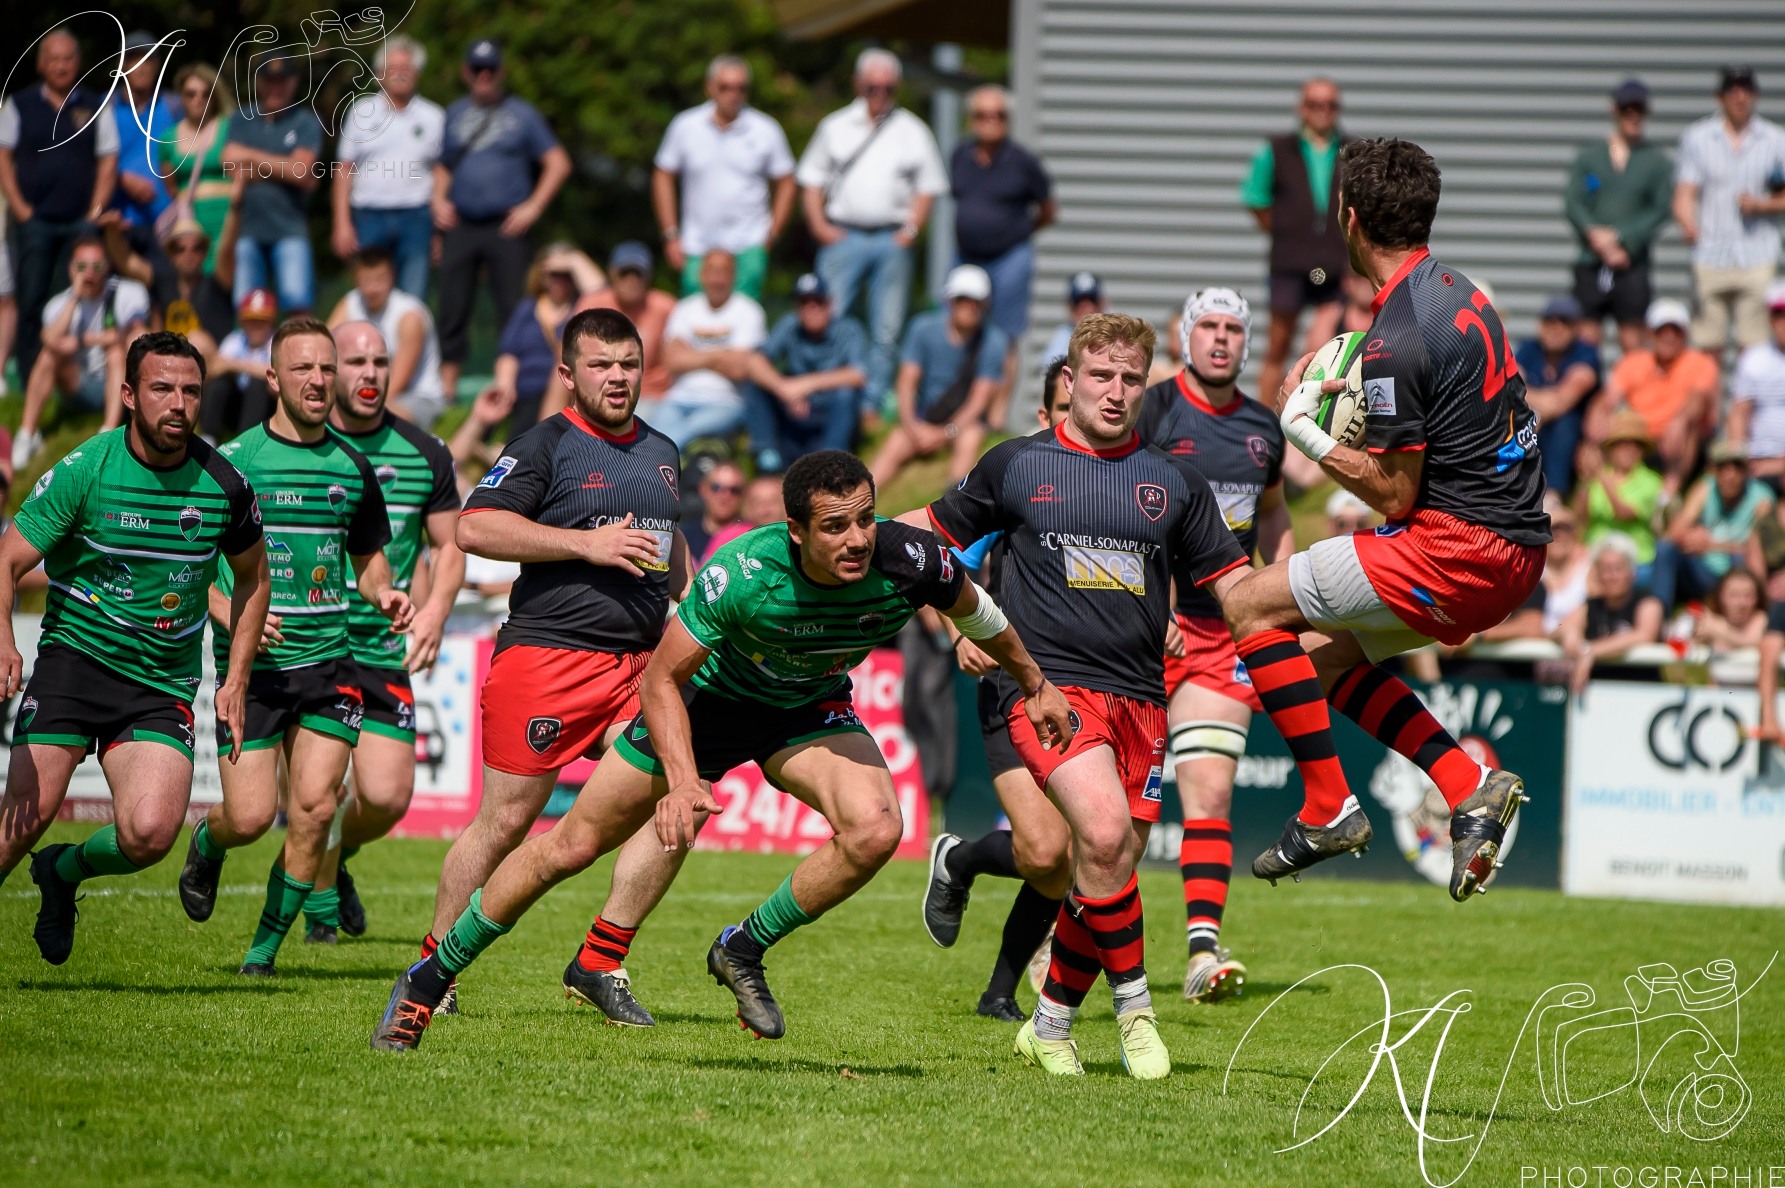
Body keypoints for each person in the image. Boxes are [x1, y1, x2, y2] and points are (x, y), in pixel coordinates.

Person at [370, 449, 1070, 1050]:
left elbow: (983, 616)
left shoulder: (912, 559)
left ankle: (742, 947)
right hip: (708, 705)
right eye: (834, 527)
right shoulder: (742, 574)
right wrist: (682, 779)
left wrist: (1035, 683)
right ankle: (427, 979)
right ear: (796, 532)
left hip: (806, 708)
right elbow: (661, 679)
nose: (858, 539)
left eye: (865, 519)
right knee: (570, 847)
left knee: (877, 828)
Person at [914, 313, 1247, 1078]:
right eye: (1100, 375)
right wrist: (854, 546)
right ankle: (1135, 1011)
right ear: (1069, 379)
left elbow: (1235, 587)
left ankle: (1049, 1022)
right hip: (1045, 690)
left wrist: (1322, 600)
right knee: (1094, 840)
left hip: (1142, 699)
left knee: (1108, 868)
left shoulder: (1174, 482)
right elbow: (929, 539)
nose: (1115, 391)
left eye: (1131, 378)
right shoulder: (1016, 464)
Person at [1220, 137, 1549, 904]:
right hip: (1514, 547)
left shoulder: (1396, 336)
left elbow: (1396, 496)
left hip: (1456, 549)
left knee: (1248, 605)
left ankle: (1327, 808)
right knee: (1321, 661)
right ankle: (1467, 782)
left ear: (1349, 218)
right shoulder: (1459, 293)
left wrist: (1305, 433)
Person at [412, 308, 685, 1016]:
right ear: (567, 374)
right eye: (601, 364)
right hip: (547, 660)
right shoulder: (545, 445)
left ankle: (601, 960)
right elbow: (474, 527)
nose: (617, 376)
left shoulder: (663, 449)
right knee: (505, 823)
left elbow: (669, 539)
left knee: (679, 792)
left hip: (638, 668)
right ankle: (433, 968)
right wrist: (586, 544)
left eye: (628, 363)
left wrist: (689, 600)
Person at [0, 332, 267, 964]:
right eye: (162, 389)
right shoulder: (87, 468)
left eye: (191, 391)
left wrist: (235, 680)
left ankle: (62, 871)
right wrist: (5, 641)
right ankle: (39, 856)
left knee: (149, 833)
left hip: (160, 682)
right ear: (127, 394)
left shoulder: (225, 485)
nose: (178, 403)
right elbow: (6, 560)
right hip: (74, 665)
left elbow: (254, 578)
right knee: (19, 825)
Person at [176, 317, 413, 975]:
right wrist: (231, 613)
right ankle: (209, 841)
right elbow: (189, 566)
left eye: (326, 368)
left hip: (330, 663)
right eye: (303, 368)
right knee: (251, 816)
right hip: (253, 670)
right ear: (274, 378)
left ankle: (261, 957)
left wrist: (384, 594)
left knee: (313, 810)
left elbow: (368, 559)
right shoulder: (232, 463)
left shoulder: (353, 466)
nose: (318, 380)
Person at [920, 358, 1087, 1022]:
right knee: (1046, 850)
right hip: (1013, 682)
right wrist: (958, 630)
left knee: (1064, 858)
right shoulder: (1016, 477)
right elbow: (941, 561)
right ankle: (959, 860)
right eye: (1065, 408)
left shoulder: (1114, 484)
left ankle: (999, 994)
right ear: (1045, 416)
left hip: (1093, 688)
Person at [1135, 288, 1289, 1002]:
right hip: (1142, 629)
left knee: (1211, 792)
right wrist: (1153, 598)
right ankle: (1052, 942)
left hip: (1221, 631)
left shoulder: (1263, 427)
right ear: (1185, 336)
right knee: (1116, 810)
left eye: (1232, 328)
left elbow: (1274, 512)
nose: (1220, 339)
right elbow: (1123, 502)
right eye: (1209, 327)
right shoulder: (1153, 410)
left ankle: (1201, 950)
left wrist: (1282, 590)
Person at [298, 320, 464, 942]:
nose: (369, 373)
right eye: (355, 361)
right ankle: (318, 910)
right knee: (317, 793)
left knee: (388, 798)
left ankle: (335, 859)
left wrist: (436, 610)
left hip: (381, 645)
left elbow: (450, 545)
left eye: (381, 361)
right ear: (327, 370)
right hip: (310, 643)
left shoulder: (425, 452)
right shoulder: (297, 447)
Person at [798, 48, 947, 409]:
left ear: (897, 87)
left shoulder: (912, 130)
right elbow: (810, 180)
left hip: (890, 238)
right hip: (842, 234)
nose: (879, 94)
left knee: (887, 328)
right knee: (829, 319)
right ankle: (827, 395)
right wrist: (819, 226)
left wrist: (911, 231)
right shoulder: (834, 126)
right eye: (872, 87)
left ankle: (871, 402)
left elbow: (928, 186)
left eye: (887, 87)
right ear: (858, 84)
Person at [433, 39, 572, 400]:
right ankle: (447, 386)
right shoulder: (454, 113)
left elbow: (558, 162)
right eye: (477, 69)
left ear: (501, 72)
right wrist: (437, 200)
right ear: (466, 72)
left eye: (491, 69)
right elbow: (444, 165)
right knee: (452, 304)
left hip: (506, 225)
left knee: (515, 305)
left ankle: (517, 384)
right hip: (462, 222)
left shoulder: (523, 114)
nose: (484, 76)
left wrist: (534, 206)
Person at [0, 29, 118, 381]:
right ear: (41, 64)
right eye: (54, 59)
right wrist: (20, 208)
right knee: (31, 296)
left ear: (78, 63)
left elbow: (108, 159)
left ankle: (72, 376)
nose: (61, 66)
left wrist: (95, 212)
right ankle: (29, 374)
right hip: (33, 220)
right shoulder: (19, 104)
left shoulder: (95, 104)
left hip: (80, 222)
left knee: (72, 297)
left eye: (68, 58)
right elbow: (3, 157)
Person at [1240, 77, 1348, 408]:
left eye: (1330, 105)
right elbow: (1255, 198)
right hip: (1289, 263)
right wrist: (1287, 230)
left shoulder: (1351, 150)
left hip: (1337, 264)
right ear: (1302, 108)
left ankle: (1315, 416)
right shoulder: (1275, 150)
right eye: (1315, 104)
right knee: (1278, 346)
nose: (1322, 111)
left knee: (1327, 346)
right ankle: (1265, 421)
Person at [653, 55, 794, 300]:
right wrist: (670, 234)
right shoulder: (685, 126)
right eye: (725, 87)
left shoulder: (766, 129)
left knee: (745, 317)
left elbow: (787, 180)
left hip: (749, 245)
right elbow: (663, 175)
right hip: (696, 247)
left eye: (741, 88)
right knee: (694, 318)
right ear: (709, 88)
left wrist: (772, 234)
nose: (733, 94)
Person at [952, 83, 1054, 422]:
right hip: (966, 256)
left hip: (1009, 257)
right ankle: (959, 410)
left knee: (1005, 335)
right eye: (983, 115)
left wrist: (1016, 233)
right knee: (961, 327)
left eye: (998, 115)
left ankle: (996, 416)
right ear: (972, 119)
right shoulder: (960, 156)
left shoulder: (1023, 162)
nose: (991, 121)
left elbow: (1048, 209)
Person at [1674, 67, 1785, 356]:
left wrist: (1761, 205)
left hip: (1757, 252)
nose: (1740, 98)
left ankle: (1747, 389)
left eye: (1745, 91)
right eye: (1733, 91)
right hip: (1711, 251)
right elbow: (1685, 192)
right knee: (1707, 345)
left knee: (1755, 345)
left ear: (1755, 96)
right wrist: (1687, 223)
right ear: (1720, 97)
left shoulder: (1775, 140)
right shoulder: (1698, 137)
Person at [15, 236, 152, 462]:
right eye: (82, 267)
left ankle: (108, 432)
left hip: (122, 383)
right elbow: (49, 338)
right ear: (71, 268)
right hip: (78, 385)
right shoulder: (60, 303)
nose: (89, 274)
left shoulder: (128, 291)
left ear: (107, 266)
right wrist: (76, 297)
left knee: (116, 352)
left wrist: (95, 340)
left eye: (96, 267)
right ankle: (27, 434)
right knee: (50, 354)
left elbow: (139, 334)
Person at [870, 264, 1006, 490]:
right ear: (950, 300)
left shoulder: (994, 341)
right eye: (962, 299)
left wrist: (945, 433)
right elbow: (906, 383)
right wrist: (912, 426)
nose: (969, 306)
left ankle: (955, 499)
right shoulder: (922, 329)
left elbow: (979, 400)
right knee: (896, 441)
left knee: (971, 438)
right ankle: (862, 497)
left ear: (985, 304)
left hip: (964, 424)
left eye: (976, 301)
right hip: (924, 416)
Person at [1563, 79, 1675, 355]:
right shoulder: (1590, 156)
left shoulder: (1656, 161)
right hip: (1592, 259)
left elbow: (1660, 210)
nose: (1633, 115)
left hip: (1631, 261)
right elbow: (1573, 203)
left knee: (1632, 340)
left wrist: (1620, 237)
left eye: (1639, 109)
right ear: (1614, 109)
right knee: (1586, 338)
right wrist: (1596, 236)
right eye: (1627, 109)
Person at [332, 36, 444, 301]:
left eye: (406, 68)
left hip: (416, 217)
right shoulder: (360, 112)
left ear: (417, 73)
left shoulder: (434, 116)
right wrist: (341, 223)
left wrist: (438, 230)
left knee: (413, 298)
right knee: (369, 295)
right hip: (369, 215)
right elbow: (344, 169)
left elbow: (441, 171)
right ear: (379, 74)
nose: (400, 74)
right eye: (393, 68)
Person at [1590, 298, 1719, 498]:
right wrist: (1599, 417)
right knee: (1605, 424)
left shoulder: (1700, 362)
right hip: (1643, 436)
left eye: (1675, 331)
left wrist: (1679, 421)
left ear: (1684, 335)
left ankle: (1668, 496)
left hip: (1681, 439)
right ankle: (1602, 490)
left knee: (1688, 427)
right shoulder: (1634, 362)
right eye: (1662, 331)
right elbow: (1608, 398)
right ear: (1650, 334)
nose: (1669, 337)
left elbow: (1698, 400)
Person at [740, 272, 867, 473]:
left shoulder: (849, 329)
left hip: (828, 412)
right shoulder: (789, 325)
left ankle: (832, 463)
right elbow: (754, 362)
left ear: (830, 304)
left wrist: (805, 385)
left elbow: (857, 375)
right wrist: (782, 388)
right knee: (756, 383)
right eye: (804, 302)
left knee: (846, 394)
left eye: (818, 301)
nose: (811, 308)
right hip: (795, 411)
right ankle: (766, 456)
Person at [223, 56, 322, 313]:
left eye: (282, 81)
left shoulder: (305, 122)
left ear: (294, 83)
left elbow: (300, 171)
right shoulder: (241, 118)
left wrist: (250, 157)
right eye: (269, 80)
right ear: (258, 82)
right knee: (246, 309)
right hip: (246, 229)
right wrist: (285, 169)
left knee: (298, 307)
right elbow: (230, 163)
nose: (275, 87)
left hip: (290, 229)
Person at [654, 249, 767, 448]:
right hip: (678, 398)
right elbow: (672, 361)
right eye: (712, 271)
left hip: (725, 401)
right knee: (651, 436)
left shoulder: (750, 311)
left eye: (724, 271)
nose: (717, 279)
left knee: (679, 435)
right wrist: (721, 354)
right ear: (702, 274)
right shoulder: (684, 309)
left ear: (734, 275)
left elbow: (740, 369)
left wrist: (692, 354)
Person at [491, 243, 604, 434]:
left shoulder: (582, 307)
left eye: (566, 274)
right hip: (525, 391)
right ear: (542, 275)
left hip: (566, 389)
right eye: (554, 274)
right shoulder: (526, 309)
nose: (560, 281)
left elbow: (601, 292)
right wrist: (505, 384)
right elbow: (508, 352)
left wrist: (573, 260)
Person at [326, 248, 446, 427]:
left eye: (380, 280)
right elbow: (324, 347)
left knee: (373, 416)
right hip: (366, 393)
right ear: (355, 280)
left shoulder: (410, 316)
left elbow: (398, 383)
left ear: (392, 277)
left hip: (417, 397)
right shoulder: (350, 303)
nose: (373, 288)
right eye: (367, 280)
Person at [98, 208, 237, 360]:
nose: (189, 254)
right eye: (180, 249)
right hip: (170, 362)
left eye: (196, 248)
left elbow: (227, 250)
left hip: (211, 366)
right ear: (171, 255)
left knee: (197, 340)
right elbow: (127, 263)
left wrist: (236, 207)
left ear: (204, 253)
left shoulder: (218, 283)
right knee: (137, 337)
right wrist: (112, 232)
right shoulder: (164, 282)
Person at [1650, 440, 1771, 611]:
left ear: (1746, 471)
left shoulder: (1762, 498)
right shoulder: (1705, 487)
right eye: (1723, 468)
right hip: (1704, 570)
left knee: (1740, 559)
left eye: (1737, 468)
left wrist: (1712, 544)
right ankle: (1657, 613)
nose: (1730, 475)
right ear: (1713, 471)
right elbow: (1672, 534)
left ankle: (1747, 616)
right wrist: (1691, 535)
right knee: (1665, 548)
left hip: (1737, 574)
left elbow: (1760, 553)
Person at [1514, 295, 1601, 496]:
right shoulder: (1528, 349)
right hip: (1534, 426)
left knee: (1565, 420)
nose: (1556, 329)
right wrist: (1540, 409)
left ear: (1576, 328)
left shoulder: (1585, 353)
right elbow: (1510, 388)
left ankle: (1554, 494)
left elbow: (1562, 401)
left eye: (1565, 323)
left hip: (1576, 439)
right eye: (1550, 322)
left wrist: (1533, 403)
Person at [1558, 533, 1663, 695]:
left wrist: (1590, 651)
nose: (1612, 576)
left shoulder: (1648, 603)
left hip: (1641, 693)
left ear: (1632, 573)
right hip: (1593, 694)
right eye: (1605, 569)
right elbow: (1557, 628)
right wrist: (1569, 632)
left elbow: (1644, 635)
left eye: (1618, 568)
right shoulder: (1591, 605)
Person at [577, 241, 678, 400]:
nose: (631, 279)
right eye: (624, 273)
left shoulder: (666, 307)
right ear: (612, 274)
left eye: (638, 273)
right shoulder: (592, 305)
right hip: (599, 392)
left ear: (648, 276)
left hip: (651, 396)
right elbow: (569, 353)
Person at [158, 63, 234, 273]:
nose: (198, 99)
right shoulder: (168, 139)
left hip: (226, 218)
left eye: (205, 94)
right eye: (190, 94)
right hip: (190, 223)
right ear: (181, 97)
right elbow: (170, 186)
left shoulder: (229, 129)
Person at [1576, 409, 1665, 584]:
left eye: (1636, 444)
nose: (1629, 449)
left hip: (1635, 560)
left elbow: (1624, 513)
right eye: (1621, 443)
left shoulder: (1651, 481)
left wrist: (1600, 474)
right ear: (1611, 448)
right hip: (1595, 555)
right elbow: (1580, 518)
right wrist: (1585, 482)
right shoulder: (1597, 478)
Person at [110, 32, 177, 244]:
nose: (141, 68)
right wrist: (121, 179)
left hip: (169, 224)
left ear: (157, 66)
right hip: (118, 222)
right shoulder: (104, 108)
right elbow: (84, 161)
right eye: (133, 60)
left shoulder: (175, 107)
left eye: (148, 60)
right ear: (121, 66)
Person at [1726, 280, 1785, 486]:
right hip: (1759, 460)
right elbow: (1739, 414)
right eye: (1779, 315)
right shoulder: (1753, 359)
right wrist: (1739, 458)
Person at [204, 288, 277, 440]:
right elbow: (215, 367)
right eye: (251, 320)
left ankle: (245, 441)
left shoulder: (276, 342)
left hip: (266, 410)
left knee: (258, 383)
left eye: (262, 321)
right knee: (221, 382)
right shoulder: (235, 339)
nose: (256, 326)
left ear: (271, 322)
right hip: (235, 406)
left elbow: (277, 374)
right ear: (243, 321)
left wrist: (234, 365)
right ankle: (208, 437)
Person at [1041, 272, 1105, 369]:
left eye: (1091, 301)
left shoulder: (1114, 337)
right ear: (1069, 305)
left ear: (1102, 304)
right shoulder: (1060, 340)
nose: (1085, 308)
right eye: (1078, 302)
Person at [1694, 566, 1766, 652]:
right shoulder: (1710, 618)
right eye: (1734, 595)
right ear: (1721, 596)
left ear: (1757, 598)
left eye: (1747, 595)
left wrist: (1719, 629)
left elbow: (1751, 642)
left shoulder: (1761, 619)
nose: (1741, 603)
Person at [683, 460, 744, 561]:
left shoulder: (750, 538)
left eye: (734, 490)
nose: (725, 496)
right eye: (717, 488)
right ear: (703, 489)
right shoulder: (684, 537)